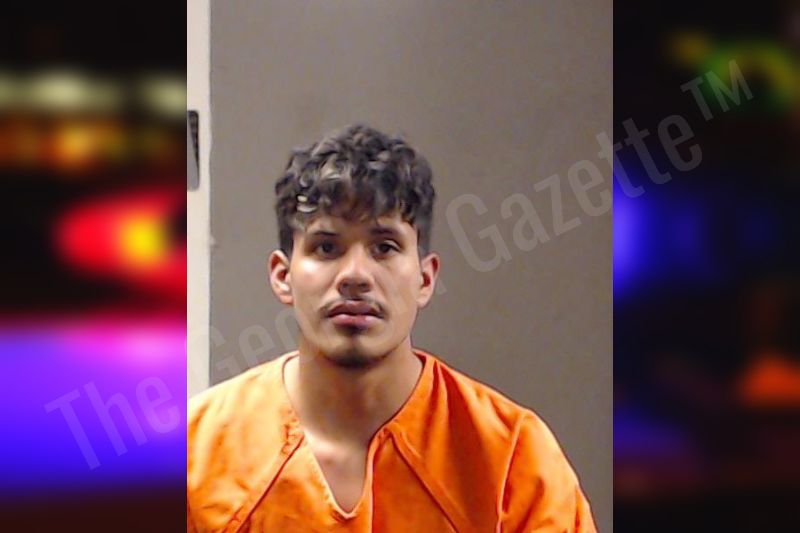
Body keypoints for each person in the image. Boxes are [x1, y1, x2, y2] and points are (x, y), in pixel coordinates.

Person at [187, 124, 596, 532]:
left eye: (384, 247)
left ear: (425, 279)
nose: (355, 275)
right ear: (283, 276)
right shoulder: (193, 452)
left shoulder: (512, 458)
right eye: (326, 247)